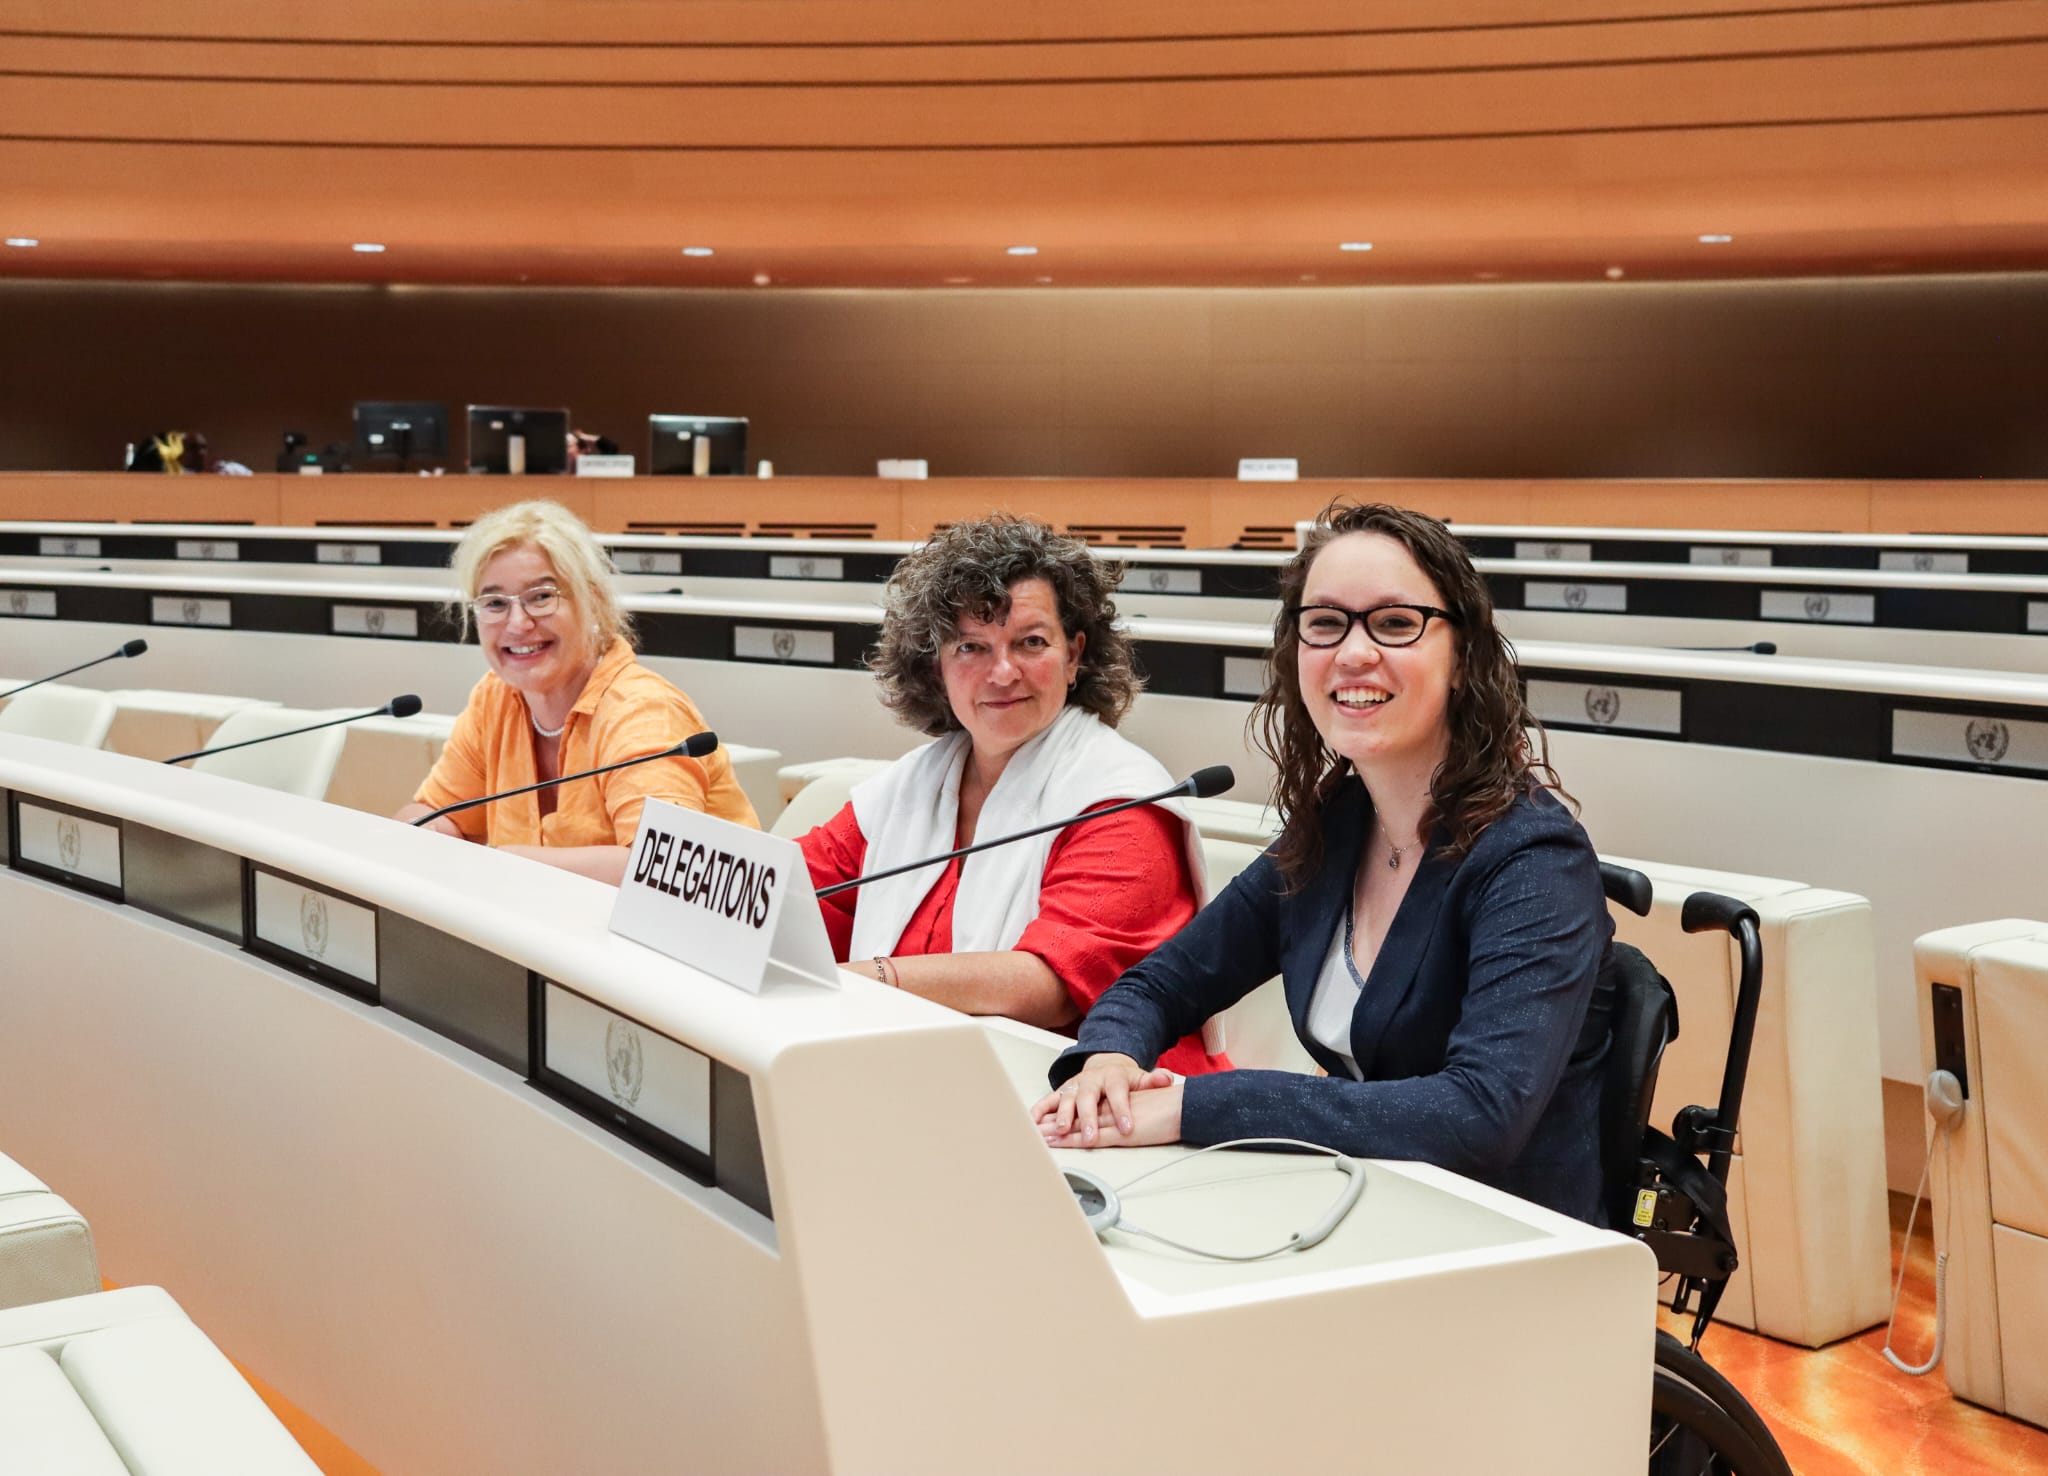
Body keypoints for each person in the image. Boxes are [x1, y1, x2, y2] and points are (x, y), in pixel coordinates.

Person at [1031, 502, 1614, 1224]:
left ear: (1462, 657)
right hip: (1355, 1205)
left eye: (1396, 624)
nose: (1353, 653)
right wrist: (1109, 1062)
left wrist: (1197, 1107)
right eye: (1325, 622)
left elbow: (1477, 1115)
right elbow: (1159, 984)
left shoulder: (1533, 861)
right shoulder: (1337, 828)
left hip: (1510, 1246)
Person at [800, 515, 1228, 1074]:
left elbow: (1048, 984)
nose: (1002, 673)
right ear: (936, 666)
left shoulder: (1123, 800)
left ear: (1074, 655)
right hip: (933, 1077)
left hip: (1106, 1109)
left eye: (1030, 642)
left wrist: (867, 981)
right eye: (971, 647)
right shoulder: (910, 786)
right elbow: (793, 897)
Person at [396, 500, 758, 880]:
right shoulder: (496, 697)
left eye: (541, 597)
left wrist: (501, 863)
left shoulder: (642, 710)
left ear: (592, 601)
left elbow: (664, 872)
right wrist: (418, 836)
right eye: (496, 603)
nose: (518, 623)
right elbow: (439, 813)